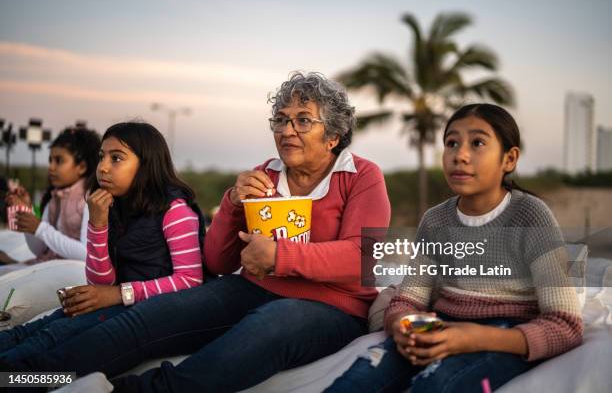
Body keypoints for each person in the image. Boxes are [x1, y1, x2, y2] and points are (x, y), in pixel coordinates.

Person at [8, 72, 391, 393]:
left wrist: (279, 256)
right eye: (281, 119)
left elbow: (363, 256)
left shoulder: (362, 176)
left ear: (334, 136)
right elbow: (217, 261)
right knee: (144, 320)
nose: (287, 130)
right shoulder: (267, 173)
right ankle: (24, 376)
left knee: (270, 326)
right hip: (251, 287)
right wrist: (232, 204)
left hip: (332, 309)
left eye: (303, 120)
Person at [325, 104, 583, 392]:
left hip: (505, 334)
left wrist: (473, 338)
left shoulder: (531, 216)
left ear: (509, 159)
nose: (460, 155)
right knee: (358, 380)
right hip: (441, 325)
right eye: (451, 143)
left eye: (478, 143)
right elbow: (408, 298)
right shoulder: (435, 220)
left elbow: (565, 324)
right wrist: (401, 325)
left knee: (437, 384)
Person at [0, 122, 205, 363]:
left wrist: (119, 293)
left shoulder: (175, 211)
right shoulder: (112, 206)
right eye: (101, 157)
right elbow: (100, 282)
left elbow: (190, 281)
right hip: (122, 303)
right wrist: (98, 225)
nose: (103, 168)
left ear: (146, 165)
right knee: (33, 330)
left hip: (154, 313)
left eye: (116, 158)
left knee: (49, 341)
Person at [1, 127, 100, 270]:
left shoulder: (89, 201)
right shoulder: (54, 200)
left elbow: (87, 253)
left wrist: (40, 228)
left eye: (59, 161)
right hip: (47, 266)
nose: (51, 167)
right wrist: (28, 214)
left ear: (82, 167)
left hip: (72, 275)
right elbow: (40, 250)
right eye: (50, 160)